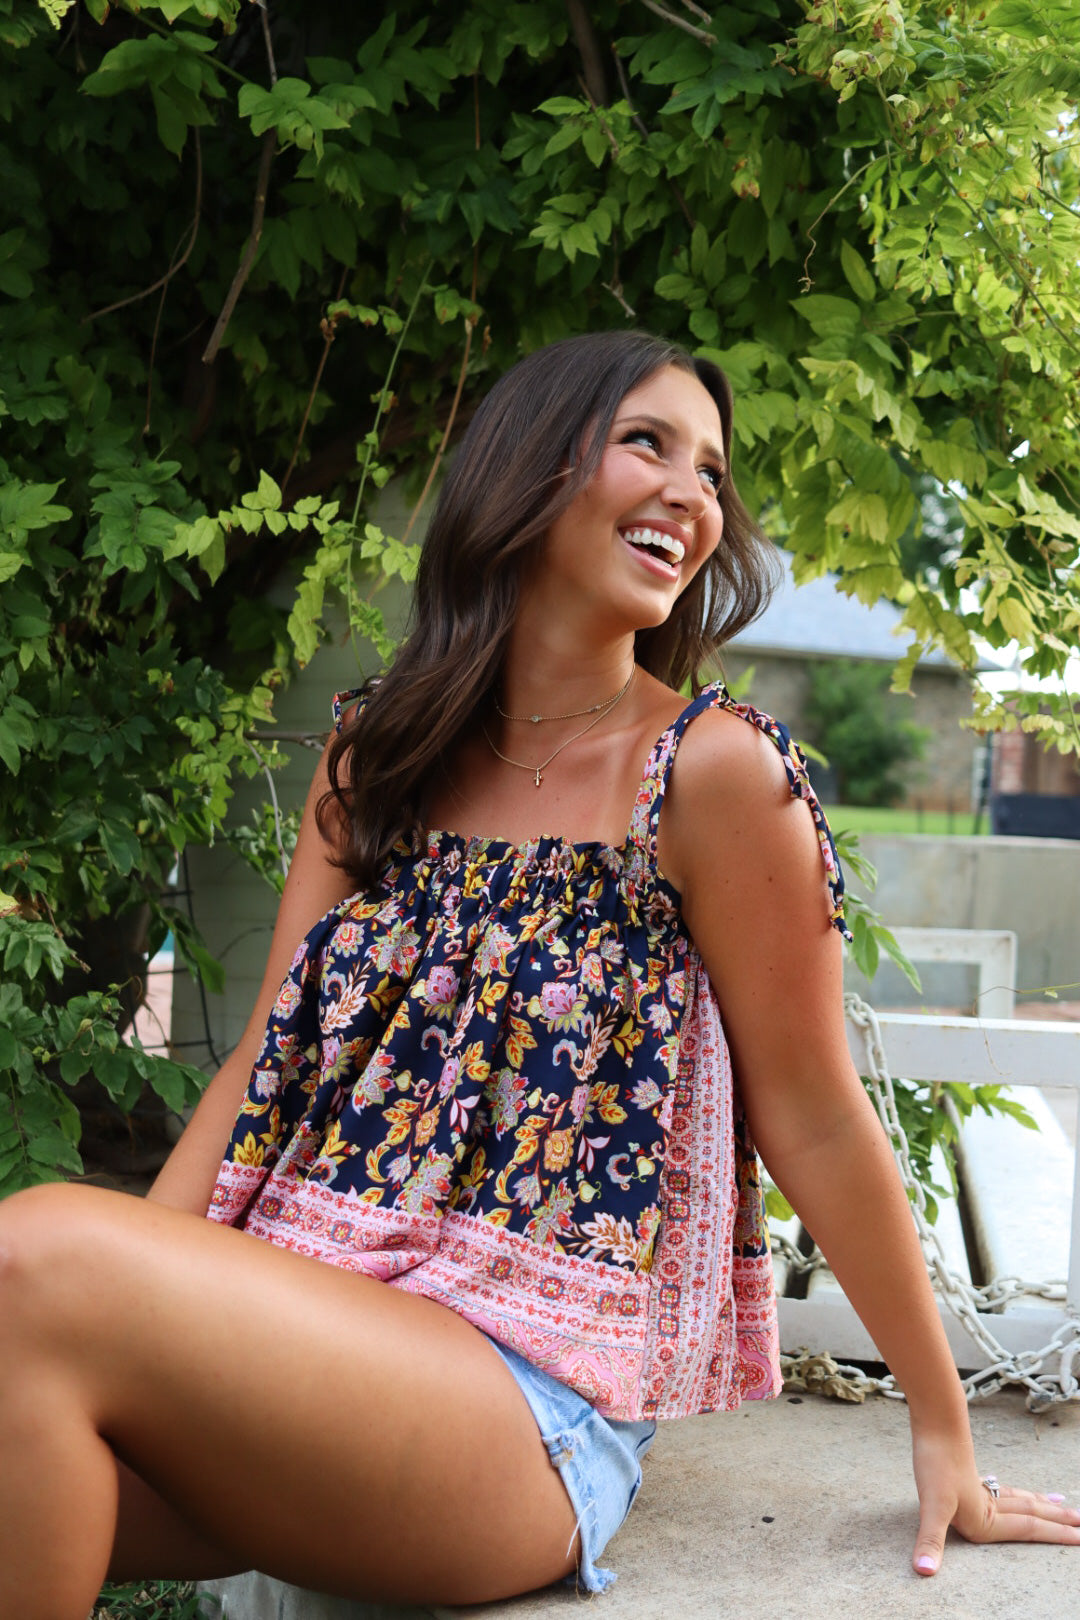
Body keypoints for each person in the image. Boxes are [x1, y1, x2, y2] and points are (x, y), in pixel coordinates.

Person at [1, 332, 1077, 1620]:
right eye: (648, 443)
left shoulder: (708, 774)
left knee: (39, 1251)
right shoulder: (378, 754)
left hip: (519, 1407)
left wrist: (943, 1429)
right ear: (525, 472)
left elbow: (814, 1109)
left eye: (713, 472)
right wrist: (154, 1292)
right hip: (311, 1329)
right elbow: (259, 1061)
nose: (695, 493)